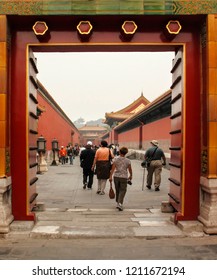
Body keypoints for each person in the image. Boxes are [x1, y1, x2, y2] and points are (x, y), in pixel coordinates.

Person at [109, 146, 132, 211]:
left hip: (116, 176)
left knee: (117, 190)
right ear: (126, 153)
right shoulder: (128, 160)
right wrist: (131, 175)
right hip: (124, 177)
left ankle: (118, 202)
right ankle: (119, 203)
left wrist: (110, 176)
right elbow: (130, 169)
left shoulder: (115, 159)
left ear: (119, 152)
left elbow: (112, 169)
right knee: (123, 190)